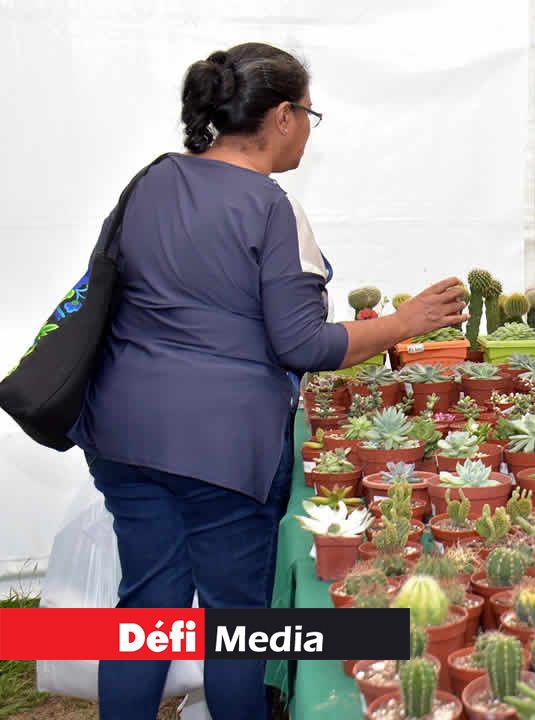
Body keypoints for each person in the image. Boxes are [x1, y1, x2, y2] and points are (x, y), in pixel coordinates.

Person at [67, 43, 467, 719]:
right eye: (310, 113)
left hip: (122, 434)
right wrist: (406, 322)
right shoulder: (272, 206)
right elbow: (303, 343)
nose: (310, 127)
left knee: (147, 608)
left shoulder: (150, 182)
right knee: (235, 624)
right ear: (283, 115)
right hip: (222, 451)